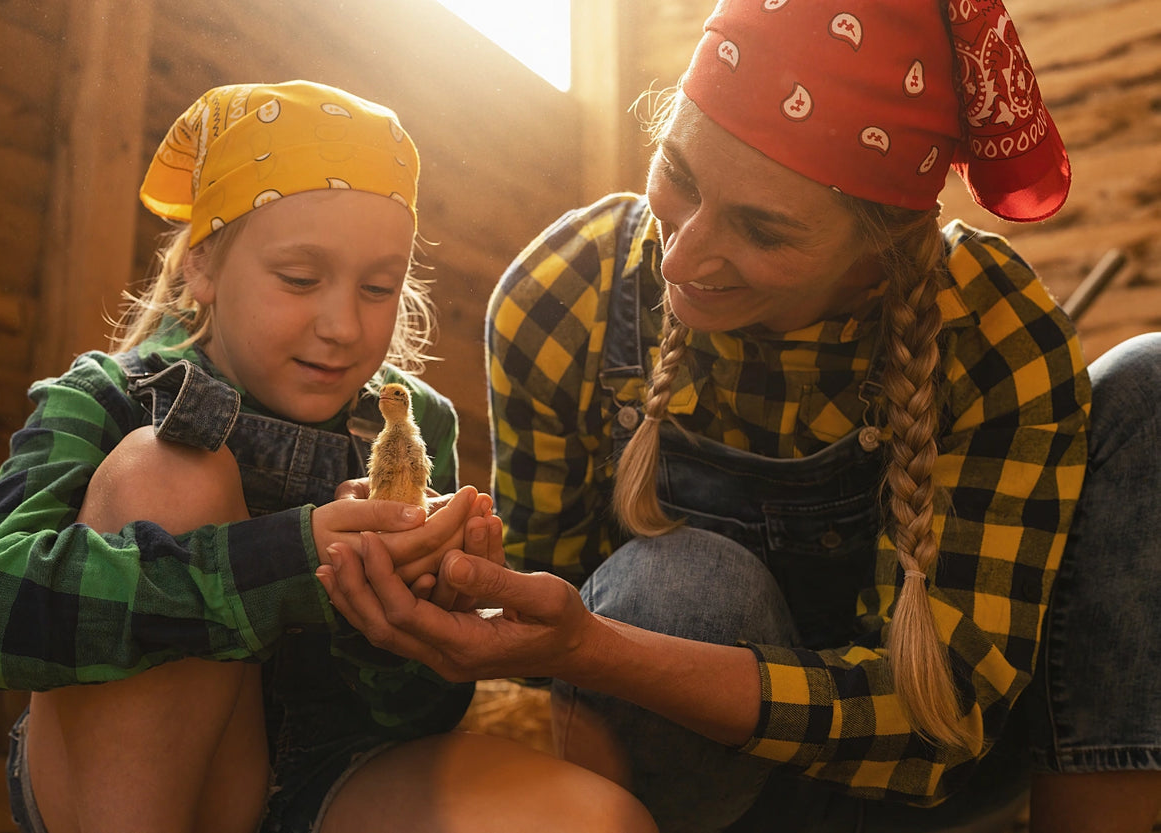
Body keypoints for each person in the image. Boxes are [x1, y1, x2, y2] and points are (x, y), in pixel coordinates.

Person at [315, 3, 1161, 831]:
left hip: (931, 786)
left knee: (1148, 381)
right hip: (684, 787)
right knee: (684, 588)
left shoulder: (995, 332)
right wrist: (455, 594)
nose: (678, 255)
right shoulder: (563, 293)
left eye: (762, 229)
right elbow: (541, 638)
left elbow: (946, 725)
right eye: (677, 175)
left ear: (882, 246)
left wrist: (593, 647)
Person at [0, 80, 655, 833]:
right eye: (301, 279)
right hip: (127, 792)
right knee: (169, 468)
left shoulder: (409, 427)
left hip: (332, 776)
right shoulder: (108, 397)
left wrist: (420, 618)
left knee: (600, 821)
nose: (342, 324)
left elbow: (415, 717)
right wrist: (288, 556)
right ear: (202, 266)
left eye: (379, 287)